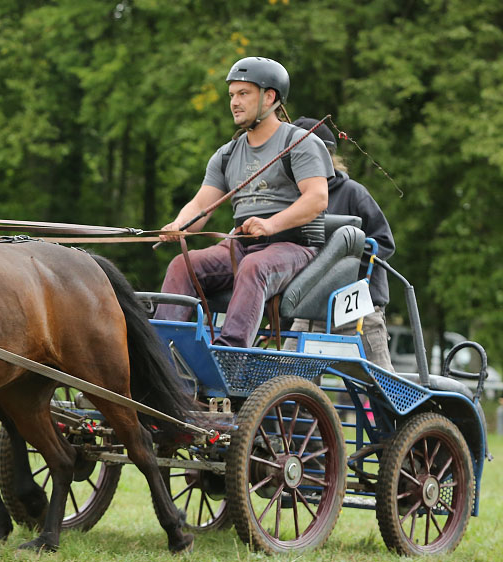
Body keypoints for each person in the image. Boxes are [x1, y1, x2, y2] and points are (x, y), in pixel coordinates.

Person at [155, 57, 334, 347]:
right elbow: (202, 204)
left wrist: (270, 224)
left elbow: (317, 198)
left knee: (254, 265)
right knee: (182, 264)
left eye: (243, 94)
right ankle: (162, 352)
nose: (234, 103)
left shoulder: (300, 142)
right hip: (241, 245)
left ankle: (232, 354)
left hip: (293, 246)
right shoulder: (227, 154)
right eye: (231, 95)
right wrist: (179, 225)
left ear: (269, 97)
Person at [283, 116, 396, 371]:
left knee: (384, 388)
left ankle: (399, 411)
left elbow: (384, 243)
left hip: (357, 311)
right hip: (310, 311)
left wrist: (343, 254)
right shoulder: (290, 200)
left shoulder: (353, 193)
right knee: (286, 379)